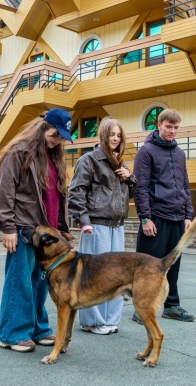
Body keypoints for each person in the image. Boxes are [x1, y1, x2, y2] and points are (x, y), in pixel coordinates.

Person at [0, 108, 72, 352]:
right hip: (23, 227)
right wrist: (7, 227)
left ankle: (37, 328)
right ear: (42, 127)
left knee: (40, 283)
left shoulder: (54, 156)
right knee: (19, 282)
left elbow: (58, 196)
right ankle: (12, 333)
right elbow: (5, 191)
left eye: (61, 137)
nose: (57, 140)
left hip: (46, 234)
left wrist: (62, 230)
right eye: (54, 134)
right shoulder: (18, 152)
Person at [68, 117, 137, 335]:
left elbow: (131, 194)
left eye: (119, 135)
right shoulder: (88, 160)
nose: (115, 138)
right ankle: (91, 321)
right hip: (96, 225)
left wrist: (130, 178)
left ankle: (110, 320)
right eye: (112, 134)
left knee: (116, 275)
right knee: (93, 275)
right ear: (103, 135)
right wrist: (84, 221)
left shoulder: (120, 163)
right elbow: (76, 192)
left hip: (117, 225)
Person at [132, 108, 195, 324]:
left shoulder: (179, 153)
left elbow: (185, 185)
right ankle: (141, 308)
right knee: (148, 267)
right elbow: (140, 187)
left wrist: (188, 214)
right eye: (169, 127)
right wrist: (145, 218)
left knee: (173, 264)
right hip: (155, 218)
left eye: (176, 127)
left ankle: (172, 306)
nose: (172, 131)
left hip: (177, 217)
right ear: (159, 125)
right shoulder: (146, 151)